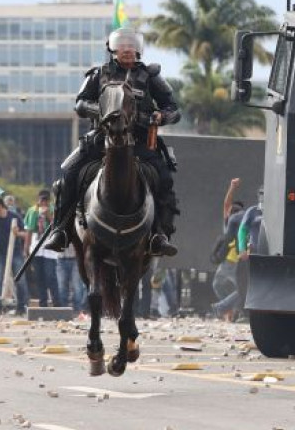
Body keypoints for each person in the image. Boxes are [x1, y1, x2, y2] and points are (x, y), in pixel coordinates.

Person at [45, 27, 181, 257]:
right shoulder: (99, 74)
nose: (127, 50)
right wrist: (108, 111)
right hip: (102, 139)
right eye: (122, 45)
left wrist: (161, 116)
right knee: (69, 174)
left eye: (131, 46)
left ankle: (160, 235)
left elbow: (173, 109)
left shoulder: (151, 76)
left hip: (139, 142)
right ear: (113, 49)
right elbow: (80, 104)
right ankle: (61, 231)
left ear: (138, 50)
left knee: (164, 181)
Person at [213, 178, 246, 322]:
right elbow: (226, 204)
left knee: (243, 288)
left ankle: (227, 308)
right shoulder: (229, 222)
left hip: (239, 262)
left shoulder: (244, 222)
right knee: (218, 285)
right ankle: (228, 309)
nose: (233, 213)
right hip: (227, 262)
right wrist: (232, 187)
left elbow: (227, 205)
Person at [24, 189, 60, 307]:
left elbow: (57, 226)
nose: (43, 203)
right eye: (41, 200)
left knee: (50, 275)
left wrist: (48, 215)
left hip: (49, 246)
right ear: (38, 200)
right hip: (36, 246)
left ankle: (56, 303)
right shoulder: (32, 211)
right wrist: (26, 247)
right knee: (39, 276)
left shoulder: (54, 209)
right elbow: (29, 230)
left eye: (46, 200)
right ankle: (43, 303)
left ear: (49, 201)